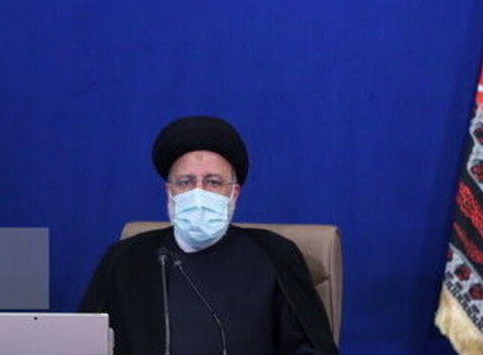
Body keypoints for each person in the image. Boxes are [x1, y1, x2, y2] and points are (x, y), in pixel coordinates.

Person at [79, 116, 338, 355]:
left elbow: (310, 349)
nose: (198, 193)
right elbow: (83, 344)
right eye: (186, 182)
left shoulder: (274, 254)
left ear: (233, 193)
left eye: (213, 182)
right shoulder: (126, 258)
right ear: (169, 192)